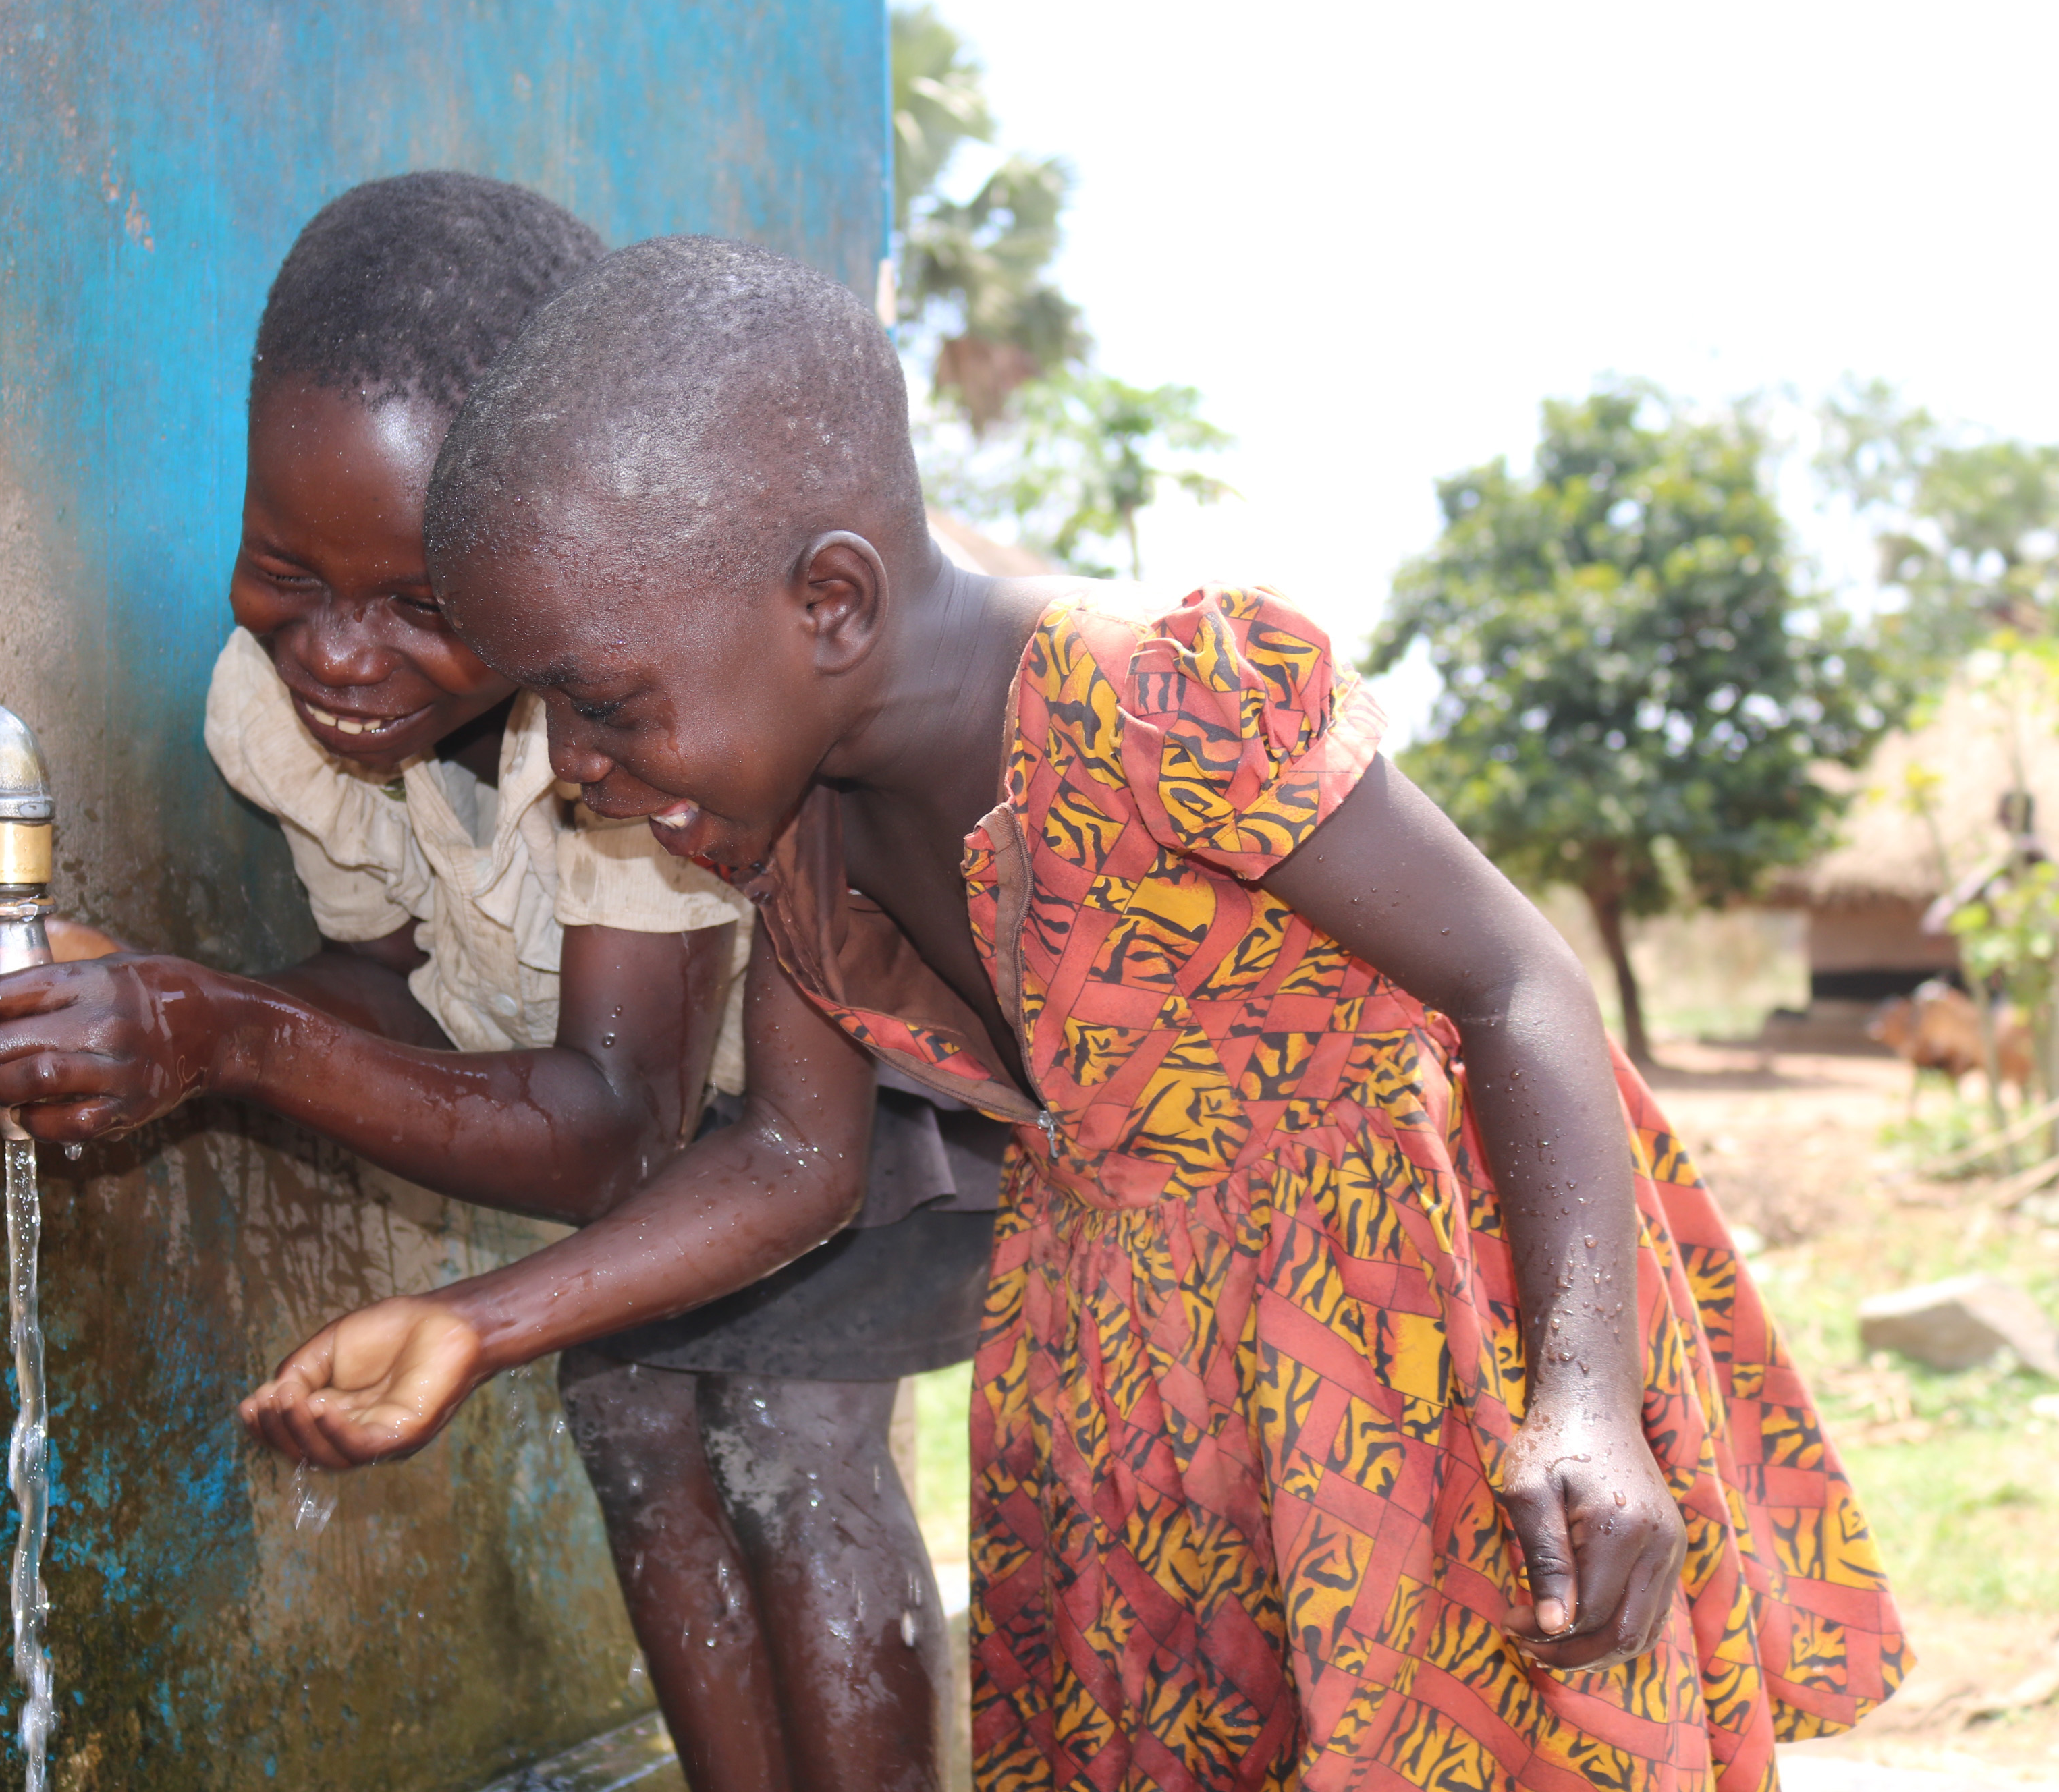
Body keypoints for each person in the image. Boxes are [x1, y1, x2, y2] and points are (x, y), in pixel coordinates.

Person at [244, 235, 1911, 1791]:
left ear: (829, 603)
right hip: (1123, 1378)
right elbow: (793, 1159)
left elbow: (1515, 977)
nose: (576, 775)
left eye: (605, 707)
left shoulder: (1156, 701)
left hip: (1408, 1339)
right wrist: (485, 1322)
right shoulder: (801, 840)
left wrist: (1584, 1402)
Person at [0, 176, 995, 1792]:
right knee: (630, 1416)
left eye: (422, 603)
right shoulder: (274, 710)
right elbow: (387, 984)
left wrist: (221, 1029)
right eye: (287, 569)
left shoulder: (640, 737)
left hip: (858, 1085)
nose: (338, 653)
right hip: (696, 1132)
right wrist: (147, 1006)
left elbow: (614, 1122)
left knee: (791, 1432)